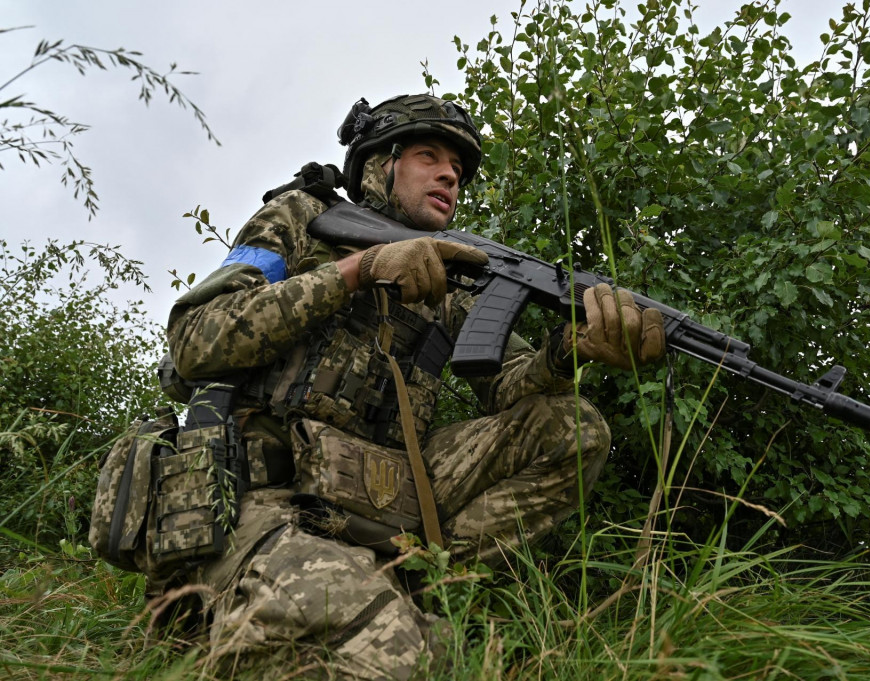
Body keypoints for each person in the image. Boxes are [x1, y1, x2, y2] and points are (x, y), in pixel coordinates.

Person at [165, 93, 665, 679]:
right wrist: (355, 273)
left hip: (381, 501)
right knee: (410, 659)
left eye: (458, 168)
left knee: (570, 428)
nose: (450, 174)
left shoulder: (453, 280)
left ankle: (422, 585)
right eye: (430, 155)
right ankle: (283, 614)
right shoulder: (301, 218)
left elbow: (508, 386)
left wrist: (568, 350)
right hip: (260, 499)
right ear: (381, 164)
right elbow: (195, 339)